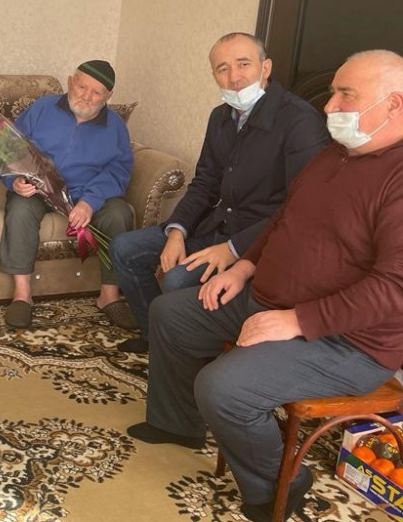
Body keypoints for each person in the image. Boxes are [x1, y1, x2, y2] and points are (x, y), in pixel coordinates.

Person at [127, 50, 403, 522]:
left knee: (224, 388)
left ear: (394, 104)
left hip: (347, 342)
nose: (330, 106)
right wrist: (242, 267)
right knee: (171, 313)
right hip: (270, 299)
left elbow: (394, 288)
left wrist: (298, 320)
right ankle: (177, 425)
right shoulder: (334, 155)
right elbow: (283, 220)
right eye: (333, 92)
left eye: (346, 95)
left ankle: (280, 483)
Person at [110, 32, 329, 353]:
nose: (234, 77)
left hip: (258, 239)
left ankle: (189, 352)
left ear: (266, 67)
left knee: (177, 279)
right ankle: (156, 338)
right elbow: (205, 183)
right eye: (222, 69)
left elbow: (301, 207)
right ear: (214, 75)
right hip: (215, 225)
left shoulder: (299, 120)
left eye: (243, 64)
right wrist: (177, 231)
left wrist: (234, 249)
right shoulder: (220, 117)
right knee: (125, 248)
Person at [0, 59, 135, 329]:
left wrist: (90, 201)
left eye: (97, 92)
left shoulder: (116, 126)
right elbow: (10, 147)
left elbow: (118, 169)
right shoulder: (42, 108)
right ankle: (22, 295)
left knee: (120, 214)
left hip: (87, 193)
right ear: (71, 82)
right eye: (82, 87)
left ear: (108, 96)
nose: (87, 96)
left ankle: (109, 296)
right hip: (40, 190)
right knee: (20, 209)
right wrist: (16, 180)